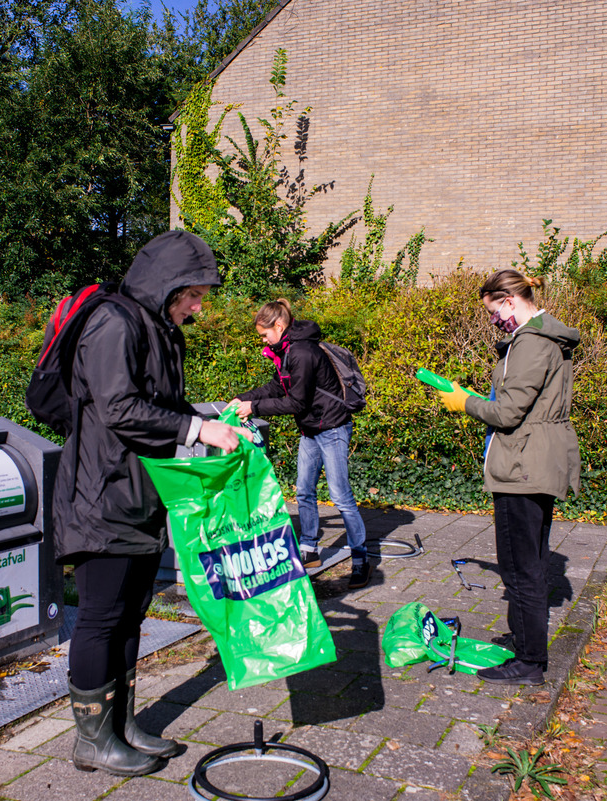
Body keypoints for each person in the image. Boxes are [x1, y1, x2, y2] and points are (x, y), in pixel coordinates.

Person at [53, 231, 250, 776]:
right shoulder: (114, 322)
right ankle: (92, 740)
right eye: (193, 295)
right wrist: (197, 429)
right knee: (101, 618)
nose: (197, 307)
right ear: (168, 285)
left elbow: (165, 407)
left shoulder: (157, 328)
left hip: (141, 495)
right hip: (102, 496)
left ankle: (121, 725)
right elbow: (118, 408)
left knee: (131, 615)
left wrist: (213, 423)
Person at [435, 269, 580, 686]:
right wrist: (471, 397)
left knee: (520, 567)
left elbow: (508, 412)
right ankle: (523, 639)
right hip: (533, 460)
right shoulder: (544, 338)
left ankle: (530, 662)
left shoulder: (530, 342)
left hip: (523, 466)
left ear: (510, 301)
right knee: (528, 560)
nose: (493, 320)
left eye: (493, 311)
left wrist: (464, 402)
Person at [231, 299, 371, 590]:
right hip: (311, 429)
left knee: (340, 496)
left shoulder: (303, 352)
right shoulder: (285, 351)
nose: (262, 340)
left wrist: (253, 408)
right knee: (304, 491)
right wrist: (244, 398)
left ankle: (360, 558)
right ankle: (309, 550)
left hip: (332, 427)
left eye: (264, 334)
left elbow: (296, 402)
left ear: (278, 326)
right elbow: (276, 386)